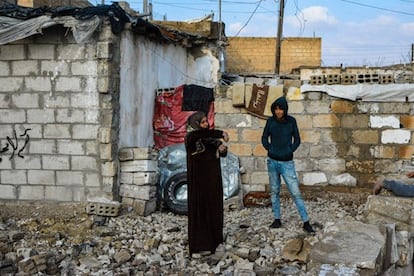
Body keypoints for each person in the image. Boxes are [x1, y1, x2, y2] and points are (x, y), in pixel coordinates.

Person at [261, 96, 315, 234]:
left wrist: (289, 150)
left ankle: (306, 221)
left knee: (295, 192)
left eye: (281, 109)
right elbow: (264, 137)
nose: (278, 112)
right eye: (276, 109)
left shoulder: (291, 121)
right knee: (274, 191)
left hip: (287, 163)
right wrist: (270, 148)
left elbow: (297, 139)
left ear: (285, 109)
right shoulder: (270, 121)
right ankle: (277, 219)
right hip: (272, 162)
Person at [184, 111, 230, 256]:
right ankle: (200, 244)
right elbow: (202, 137)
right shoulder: (191, 137)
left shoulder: (209, 137)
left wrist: (222, 148)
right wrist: (220, 135)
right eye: (202, 122)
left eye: (206, 121)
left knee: (214, 208)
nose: (206, 124)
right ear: (196, 124)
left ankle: (215, 241)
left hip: (212, 180)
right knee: (200, 210)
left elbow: (221, 153)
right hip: (198, 182)